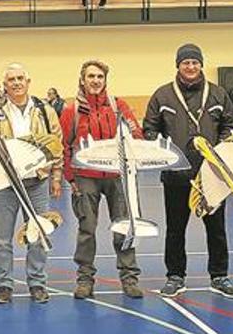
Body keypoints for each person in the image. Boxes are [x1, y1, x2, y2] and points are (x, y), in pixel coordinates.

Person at [142, 45, 233, 299]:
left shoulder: (218, 94)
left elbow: (231, 125)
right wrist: (164, 151)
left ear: (201, 65)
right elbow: (149, 129)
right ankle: (175, 276)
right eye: (185, 62)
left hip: (214, 176)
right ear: (178, 65)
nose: (190, 67)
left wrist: (221, 149)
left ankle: (219, 276)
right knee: (176, 228)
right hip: (177, 175)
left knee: (216, 228)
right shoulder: (163, 96)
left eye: (195, 63)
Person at [0, 63, 63, 304]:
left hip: (37, 182)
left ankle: (37, 284)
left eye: (20, 78)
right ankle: (4, 285)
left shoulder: (44, 110)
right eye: (11, 79)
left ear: (28, 81)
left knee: (38, 233)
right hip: (4, 185)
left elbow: (57, 143)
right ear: (5, 86)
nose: (16, 83)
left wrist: (56, 175)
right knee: (1, 239)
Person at [60, 60, 144, 300]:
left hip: (117, 177)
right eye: (91, 76)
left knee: (124, 227)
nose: (95, 81)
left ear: (105, 80)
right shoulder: (71, 110)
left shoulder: (119, 106)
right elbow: (64, 145)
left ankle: (129, 278)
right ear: (82, 79)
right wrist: (70, 178)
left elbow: (136, 134)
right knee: (87, 229)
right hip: (86, 177)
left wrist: (132, 134)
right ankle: (85, 279)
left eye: (99, 77)